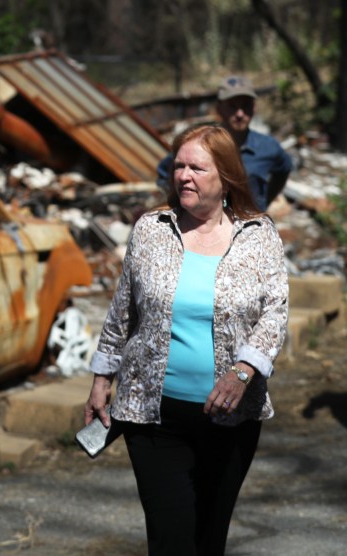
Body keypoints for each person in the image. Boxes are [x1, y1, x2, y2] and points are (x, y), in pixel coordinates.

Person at [86, 123, 288, 555]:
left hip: (231, 419)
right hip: (153, 416)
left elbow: (275, 314)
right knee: (171, 539)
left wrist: (243, 371)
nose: (184, 176)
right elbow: (124, 308)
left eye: (197, 167)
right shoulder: (150, 230)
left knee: (208, 539)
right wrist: (103, 376)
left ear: (226, 177)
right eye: (179, 165)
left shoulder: (258, 235)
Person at [157, 75, 293, 212]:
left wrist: (264, 201)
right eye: (232, 106)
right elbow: (164, 172)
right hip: (205, 226)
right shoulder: (199, 144)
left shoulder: (268, 147)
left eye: (246, 106)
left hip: (250, 224)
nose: (240, 113)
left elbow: (284, 170)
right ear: (219, 108)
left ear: (254, 107)